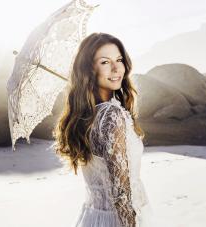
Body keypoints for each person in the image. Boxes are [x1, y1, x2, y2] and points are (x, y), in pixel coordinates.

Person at [53, 33, 154, 227]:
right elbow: (121, 192)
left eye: (119, 60)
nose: (116, 68)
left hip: (93, 217)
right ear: (89, 69)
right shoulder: (111, 115)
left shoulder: (84, 116)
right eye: (105, 62)